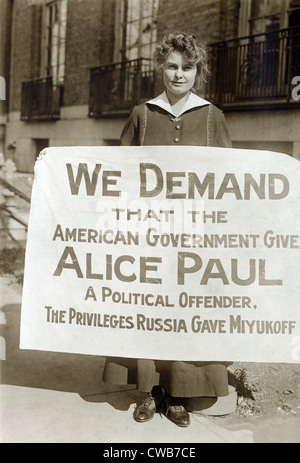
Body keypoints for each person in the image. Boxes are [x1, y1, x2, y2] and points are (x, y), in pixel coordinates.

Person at [103, 32, 232, 428]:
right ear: (161, 68)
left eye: (187, 67)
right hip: (148, 234)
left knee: (183, 312)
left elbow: (233, 181)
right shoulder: (143, 114)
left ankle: (176, 395)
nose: (179, 74)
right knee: (147, 310)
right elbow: (118, 175)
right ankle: (147, 391)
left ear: (198, 71)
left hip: (194, 236)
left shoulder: (212, 117)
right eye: (172, 66)